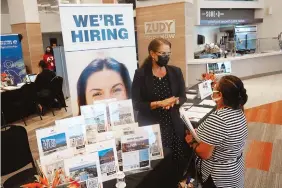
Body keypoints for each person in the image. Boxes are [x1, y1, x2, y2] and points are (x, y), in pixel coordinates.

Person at [185, 75, 248, 188]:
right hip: (234, 171)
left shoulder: (219, 119)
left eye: (215, 88)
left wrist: (191, 142)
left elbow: (205, 154)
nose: (212, 90)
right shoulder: (239, 110)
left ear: (220, 95)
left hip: (219, 177)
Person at [131, 38, 187, 159]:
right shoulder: (141, 74)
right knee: (157, 163)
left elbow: (183, 96)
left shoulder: (175, 72)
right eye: (162, 53)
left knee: (176, 159)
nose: (166, 56)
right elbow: (136, 104)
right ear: (152, 54)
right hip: (151, 127)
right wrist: (159, 103)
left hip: (173, 125)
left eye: (168, 53)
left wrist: (175, 101)